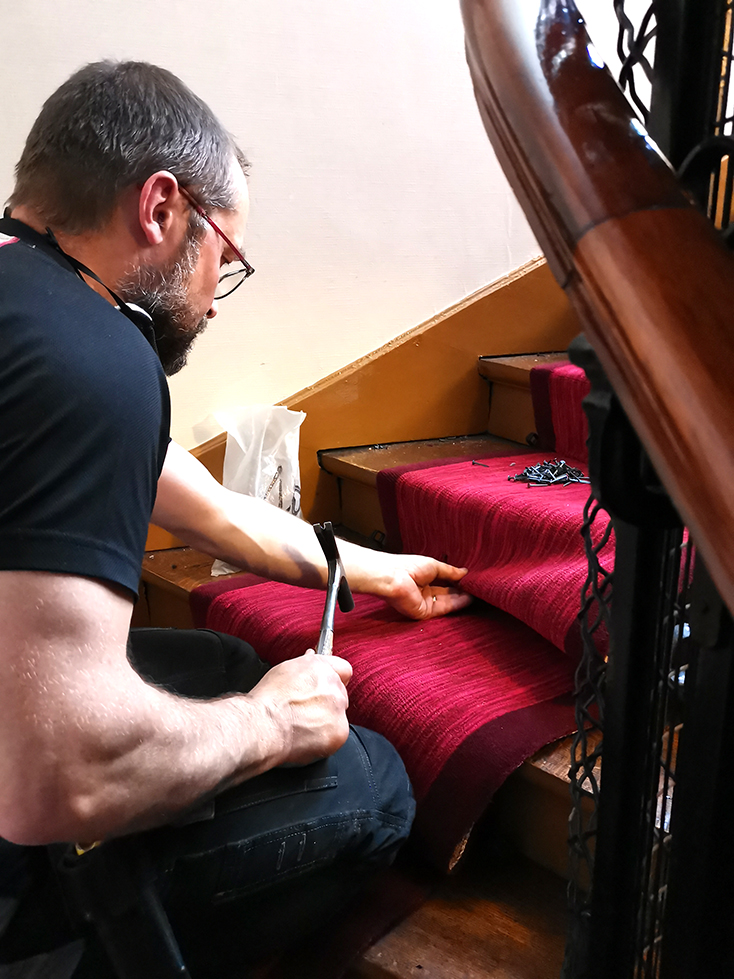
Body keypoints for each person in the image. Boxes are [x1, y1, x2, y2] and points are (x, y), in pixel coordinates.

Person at [0, 61, 470, 976]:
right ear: (161, 207)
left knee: (220, 662)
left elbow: (205, 505)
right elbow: (55, 776)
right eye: (226, 254)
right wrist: (271, 726)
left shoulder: (25, 299)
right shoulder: (91, 360)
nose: (217, 295)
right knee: (375, 782)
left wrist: (368, 568)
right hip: (22, 813)